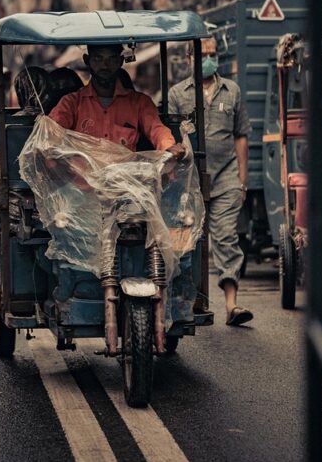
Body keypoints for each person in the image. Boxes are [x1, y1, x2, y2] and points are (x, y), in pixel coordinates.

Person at [168, 36, 253, 326]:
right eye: (203, 53)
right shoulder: (178, 94)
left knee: (227, 238)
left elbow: (240, 136)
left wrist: (243, 180)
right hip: (190, 180)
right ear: (189, 57)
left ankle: (232, 305)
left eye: (213, 53)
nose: (209, 58)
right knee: (189, 241)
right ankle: (190, 300)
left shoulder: (232, 91)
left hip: (226, 177)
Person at [49, 43, 184, 158]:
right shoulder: (71, 103)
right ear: (87, 60)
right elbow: (51, 134)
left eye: (112, 58)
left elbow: (157, 129)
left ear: (120, 61)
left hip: (125, 183)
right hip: (81, 185)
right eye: (98, 58)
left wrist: (169, 147)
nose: (105, 65)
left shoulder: (140, 102)